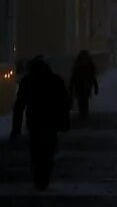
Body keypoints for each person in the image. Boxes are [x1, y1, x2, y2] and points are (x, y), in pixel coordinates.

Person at [10, 56, 72, 190]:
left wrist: (16, 127)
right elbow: (65, 102)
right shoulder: (55, 80)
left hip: (35, 123)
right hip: (51, 123)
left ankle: (38, 177)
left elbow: (19, 106)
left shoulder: (28, 81)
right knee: (48, 151)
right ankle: (44, 176)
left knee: (36, 151)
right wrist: (65, 121)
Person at [69, 50, 99, 119]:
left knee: (81, 99)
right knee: (85, 99)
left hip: (79, 84)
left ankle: (82, 112)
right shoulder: (89, 63)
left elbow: (73, 76)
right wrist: (95, 86)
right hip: (86, 84)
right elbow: (92, 76)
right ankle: (84, 113)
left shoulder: (78, 63)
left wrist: (71, 86)